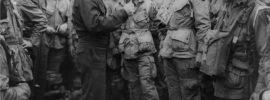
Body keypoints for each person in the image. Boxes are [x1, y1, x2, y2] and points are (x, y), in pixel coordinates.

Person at [202, 0, 270, 100]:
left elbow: (266, 56)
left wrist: (258, 91)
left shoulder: (259, 12)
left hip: (241, 88)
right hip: (221, 83)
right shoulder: (228, 7)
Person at [72, 0, 135, 99]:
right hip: (92, 52)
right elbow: (94, 24)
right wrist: (123, 13)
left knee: (98, 93)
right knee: (93, 95)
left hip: (96, 51)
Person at [156, 0, 211, 100]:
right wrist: (162, 43)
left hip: (186, 52)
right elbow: (163, 25)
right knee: (173, 90)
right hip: (168, 51)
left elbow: (203, 25)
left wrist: (201, 51)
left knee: (189, 90)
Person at [0, 0, 47, 99]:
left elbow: (41, 20)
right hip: (4, 54)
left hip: (16, 56)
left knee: (22, 88)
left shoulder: (16, 3)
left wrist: (31, 41)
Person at [118, 0, 160, 100]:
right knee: (133, 87)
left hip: (145, 52)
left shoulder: (148, 4)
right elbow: (115, 27)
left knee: (147, 85)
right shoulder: (120, 5)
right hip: (127, 51)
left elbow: (159, 24)